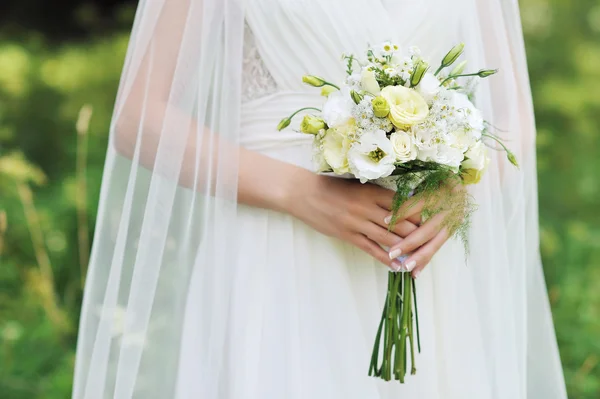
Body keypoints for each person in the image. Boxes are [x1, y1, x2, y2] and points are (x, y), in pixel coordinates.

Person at [72, 0, 567, 398]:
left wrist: (457, 192)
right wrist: (299, 191)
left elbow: (515, 122)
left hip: (420, 263)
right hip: (277, 250)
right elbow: (140, 119)